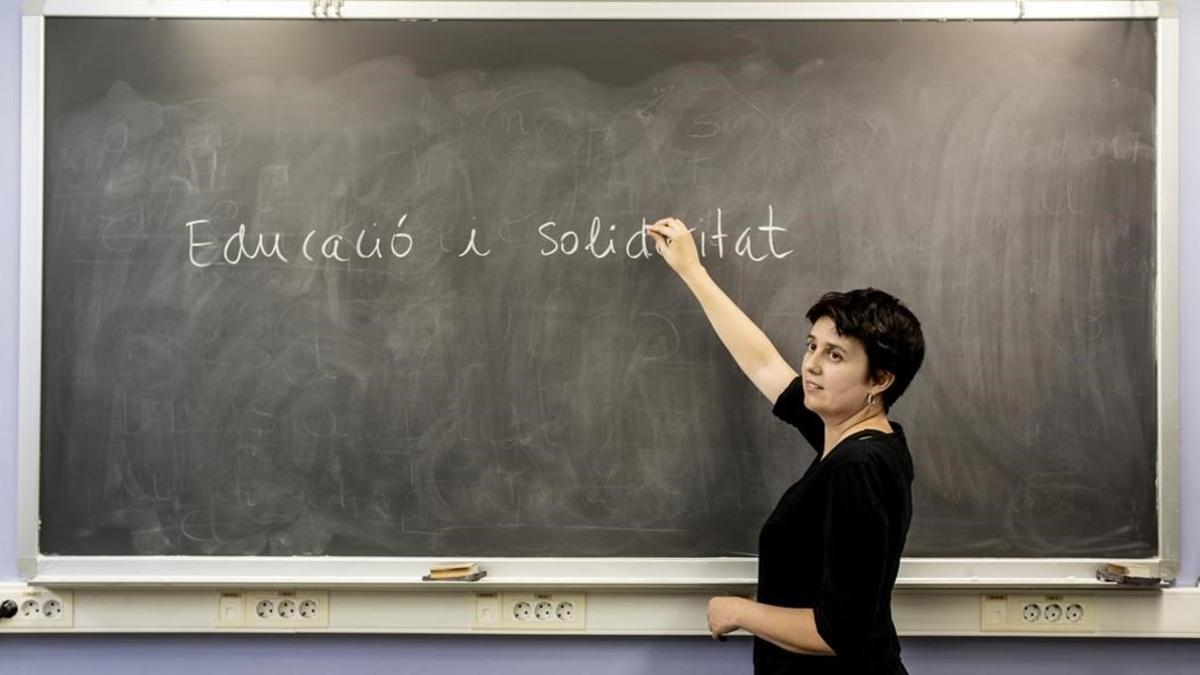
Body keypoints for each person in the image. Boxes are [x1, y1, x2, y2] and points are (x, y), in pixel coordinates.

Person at [644, 217, 925, 674]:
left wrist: (737, 611)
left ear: (880, 379)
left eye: (835, 355)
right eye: (811, 346)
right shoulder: (849, 439)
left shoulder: (859, 465)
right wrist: (691, 271)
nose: (811, 365)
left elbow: (841, 632)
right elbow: (764, 365)